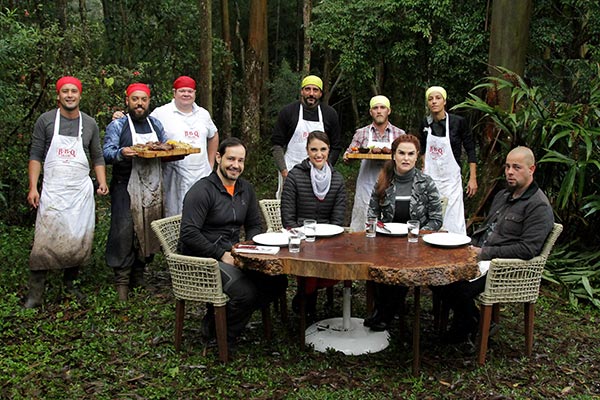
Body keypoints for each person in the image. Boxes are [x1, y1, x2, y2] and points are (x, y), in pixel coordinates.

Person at [434, 146, 554, 344]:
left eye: (516, 167)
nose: (509, 172)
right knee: (435, 272)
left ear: (531, 169)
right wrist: (460, 245)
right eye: (507, 167)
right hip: (480, 257)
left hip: (504, 266)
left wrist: (483, 253)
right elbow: (486, 232)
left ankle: (470, 325)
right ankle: (476, 323)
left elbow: (528, 249)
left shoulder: (538, 205)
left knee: (455, 286)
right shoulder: (503, 196)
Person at [178, 137, 288, 344]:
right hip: (202, 258)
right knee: (245, 292)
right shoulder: (202, 191)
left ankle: (219, 320)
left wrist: (249, 246)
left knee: (277, 282)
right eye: (231, 159)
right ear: (218, 157)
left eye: (240, 160)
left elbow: (254, 224)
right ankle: (221, 338)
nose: (235, 166)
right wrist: (221, 254)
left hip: (233, 252)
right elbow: (189, 233)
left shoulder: (246, 189)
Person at [25, 76, 109, 308]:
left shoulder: (90, 123)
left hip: (80, 193)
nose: (70, 95)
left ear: (80, 95)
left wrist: (101, 182)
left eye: (74, 91)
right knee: (43, 239)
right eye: (65, 91)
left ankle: (69, 286)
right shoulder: (46, 121)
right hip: (53, 190)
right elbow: (36, 155)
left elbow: (97, 156)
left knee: (77, 238)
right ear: (58, 95)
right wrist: (34, 187)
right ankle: (35, 294)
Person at [363, 134, 443, 331]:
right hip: (387, 240)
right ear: (394, 155)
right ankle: (387, 309)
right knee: (381, 265)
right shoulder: (383, 180)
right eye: (401, 153)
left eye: (410, 154)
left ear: (417, 157)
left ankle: (384, 314)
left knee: (402, 266)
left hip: (416, 243)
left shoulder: (426, 182)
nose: (405, 158)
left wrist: (419, 234)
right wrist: (376, 228)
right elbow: (372, 212)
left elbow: (436, 219)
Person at [103, 82, 167, 301]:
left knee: (147, 231)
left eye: (143, 100)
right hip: (124, 184)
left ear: (149, 102)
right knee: (123, 231)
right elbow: (107, 153)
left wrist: (171, 152)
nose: (139, 104)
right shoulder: (118, 125)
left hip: (151, 186)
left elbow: (166, 147)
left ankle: (139, 276)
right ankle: (122, 282)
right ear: (127, 100)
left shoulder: (156, 124)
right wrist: (122, 152)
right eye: (135, 99)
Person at [281, 130, 347, 317]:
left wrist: (327, 237)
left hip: (327, 238)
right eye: (314, 149)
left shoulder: (337, 179)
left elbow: (338, 218)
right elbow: (287, 215)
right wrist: (298, 236)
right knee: (310, 260)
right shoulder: (295, 176)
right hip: (299, 237)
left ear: (329, 150)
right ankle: (306, 302)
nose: (319, 154)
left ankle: (305, 296)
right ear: (307, 151)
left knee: (334, 264)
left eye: (323, 149)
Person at [271, 75, 342, 198]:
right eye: (307, 89)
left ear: (320, 93)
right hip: (290, 169)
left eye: (315, 90)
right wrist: (284, 171)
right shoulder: (288, 112)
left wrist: (326, 169)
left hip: (320, 173)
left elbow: (336, 146)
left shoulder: (330, 114)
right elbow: (276, 145)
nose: (311, 94)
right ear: (302, 91)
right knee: (288, 208)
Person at [420, 86, 478, 235]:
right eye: (430, 99)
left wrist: (473, 178)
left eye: (438, 98)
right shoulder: (425, 123)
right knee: (430, 219)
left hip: (451, 181)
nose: (434, 102)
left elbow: (471, 149)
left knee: (453, 220)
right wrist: (423, 167)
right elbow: (422, 148)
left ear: (444, 101)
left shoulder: (458, 122)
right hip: (431, 180)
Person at [343, 95, 405, 232]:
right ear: (371, 112)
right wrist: (349, 156)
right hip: (366, 186)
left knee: (390, 225)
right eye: (375, 108)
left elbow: (406, 160)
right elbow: (348, 155)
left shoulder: (399, 134)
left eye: (382, 107)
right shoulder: (361, 133)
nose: (379, 111)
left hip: (391, 184)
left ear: (388, 111)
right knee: (362, 223)